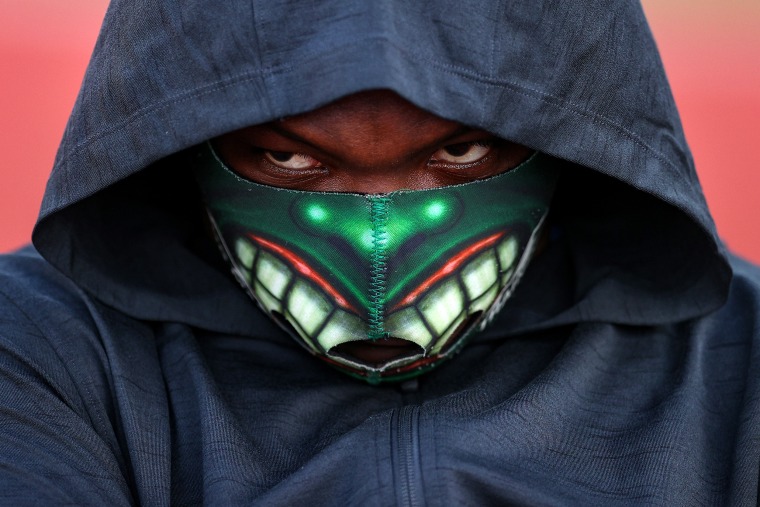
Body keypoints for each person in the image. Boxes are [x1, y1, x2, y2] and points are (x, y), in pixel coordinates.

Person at [0, 0, 758, 505]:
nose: (378, 250)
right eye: (288, 161)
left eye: (459, 151)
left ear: (562, 131)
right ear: (188, 139)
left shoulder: (739, 365)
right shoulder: (46, 347)